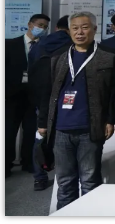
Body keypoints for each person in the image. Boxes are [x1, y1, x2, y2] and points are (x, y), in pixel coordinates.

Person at [36, 12, 115, 209]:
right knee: (64, 182)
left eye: (85, 27)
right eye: (75, 28)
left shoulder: (109, 56)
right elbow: (48, 92)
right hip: (61, 129)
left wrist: (110, 119)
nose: (80, 32)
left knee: (90, 181)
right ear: (69, 31)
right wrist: (42, 123)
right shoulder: (58, 56)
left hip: (91, 128)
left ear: (94, 29)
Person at [5, 13, 50, 178]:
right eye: (40, 25)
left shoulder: (45, 47)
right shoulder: (9, 44)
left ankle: (28, 162)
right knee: (8, 132)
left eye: (45, 27)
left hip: (34, 97)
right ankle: (5, 164)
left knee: (31, 131)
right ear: (30, 24)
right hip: (12, 97)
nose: (42, 29)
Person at [28, 14, 70, 191]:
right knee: (65, 139)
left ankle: (39, 177)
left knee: (40, 137)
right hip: (64, 99)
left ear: (56, 28)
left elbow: (31, 71)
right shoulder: (72, 45)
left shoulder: (39, 44)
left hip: (41, 98)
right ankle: (65, 178)